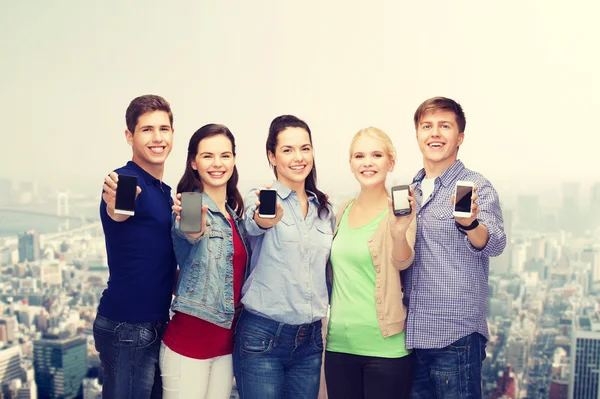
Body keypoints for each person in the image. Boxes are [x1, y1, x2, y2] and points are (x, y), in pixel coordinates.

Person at [402, 97, 506, 398]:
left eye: (444, 126)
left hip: (455, 338)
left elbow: (495, 242)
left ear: (459, 137)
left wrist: (471, 224)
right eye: (427, 126)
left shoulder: (475, 186)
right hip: (412, 337)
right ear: (418, 135)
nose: (435, 133)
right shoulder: (412, 190)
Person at [233, 114, 335, 399]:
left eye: (305, 148)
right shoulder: (260, 197)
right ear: (272, 156)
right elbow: (255, 222)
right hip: (262, 338)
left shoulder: (324, 210)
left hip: (310, 340)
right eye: (287, 150)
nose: (298, 157)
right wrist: (267, 219)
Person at [93, 94, 177, 398]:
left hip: (154, 323)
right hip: (127, 327)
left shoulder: (164, 191)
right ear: (130, 136)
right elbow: (118, 211)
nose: (157, 138)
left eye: (164, 129)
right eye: (147, 129)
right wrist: (115, 205)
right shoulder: (126, 180)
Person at [324, 127, 416, 399]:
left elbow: (403, 261)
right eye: (359, 155)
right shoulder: (343, 209)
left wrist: (399, 232)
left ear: (391, 162)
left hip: (385, 350)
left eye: (376, 155)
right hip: (339, 345)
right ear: (351, 163)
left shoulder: (402, 212)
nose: (367, 162)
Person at [159, 124, 250, 399]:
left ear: (234, 159)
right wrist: (194, 225)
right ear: (193, 162)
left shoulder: (234, 215)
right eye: (208, 156)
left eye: (225, 155)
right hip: (188, 346)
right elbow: (191, 231)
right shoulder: (190, 204)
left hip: (224, 348)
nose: (217, 163)